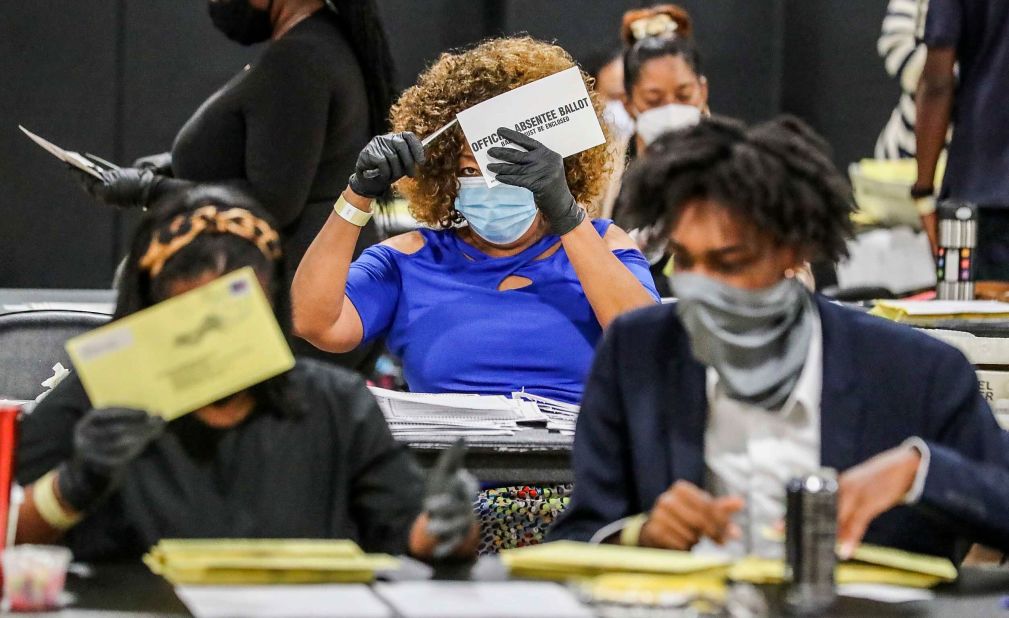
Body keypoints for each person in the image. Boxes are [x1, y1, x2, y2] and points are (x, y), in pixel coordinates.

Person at [548, 116, 1009, 561]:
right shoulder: (638, 353)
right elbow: (577, 535)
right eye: (686, 261)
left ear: (793, 252)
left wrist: (920, 473)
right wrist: (639, 536)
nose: (701, 286)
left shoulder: (916, 372)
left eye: (730, 261)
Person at [15, 186, 477, 562]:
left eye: (233, 315)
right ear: (149, 310)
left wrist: (447, 526)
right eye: (187, 318)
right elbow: (11, 534)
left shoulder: (335, 404)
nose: (211, 340)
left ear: (269, 306)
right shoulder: (98, 397)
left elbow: (411, 536)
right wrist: (71, 486)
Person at [292, 36, 660, 405]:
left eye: (510, 166)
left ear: (558, 165)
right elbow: (314, 322)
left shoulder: (604, 244)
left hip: (577, 457)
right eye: (470, 169)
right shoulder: (410, 259)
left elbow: (648, 343)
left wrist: (564, 212)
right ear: (446, 176)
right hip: (448, 457)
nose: (490, 184)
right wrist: (358, 193)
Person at [71, 0, 397, 369]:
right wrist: (171, 169)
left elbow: (273, 202)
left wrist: (147, 190)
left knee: (104, 373)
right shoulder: (317, 44)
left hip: (281, 308)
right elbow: (283, 158)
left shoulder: (300, 57)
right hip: (285, 299)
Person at [914, 0, 1009, 279]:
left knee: (973, 320)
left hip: (981, 196)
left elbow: (937, 82)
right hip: (983, 198)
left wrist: (923, 191)